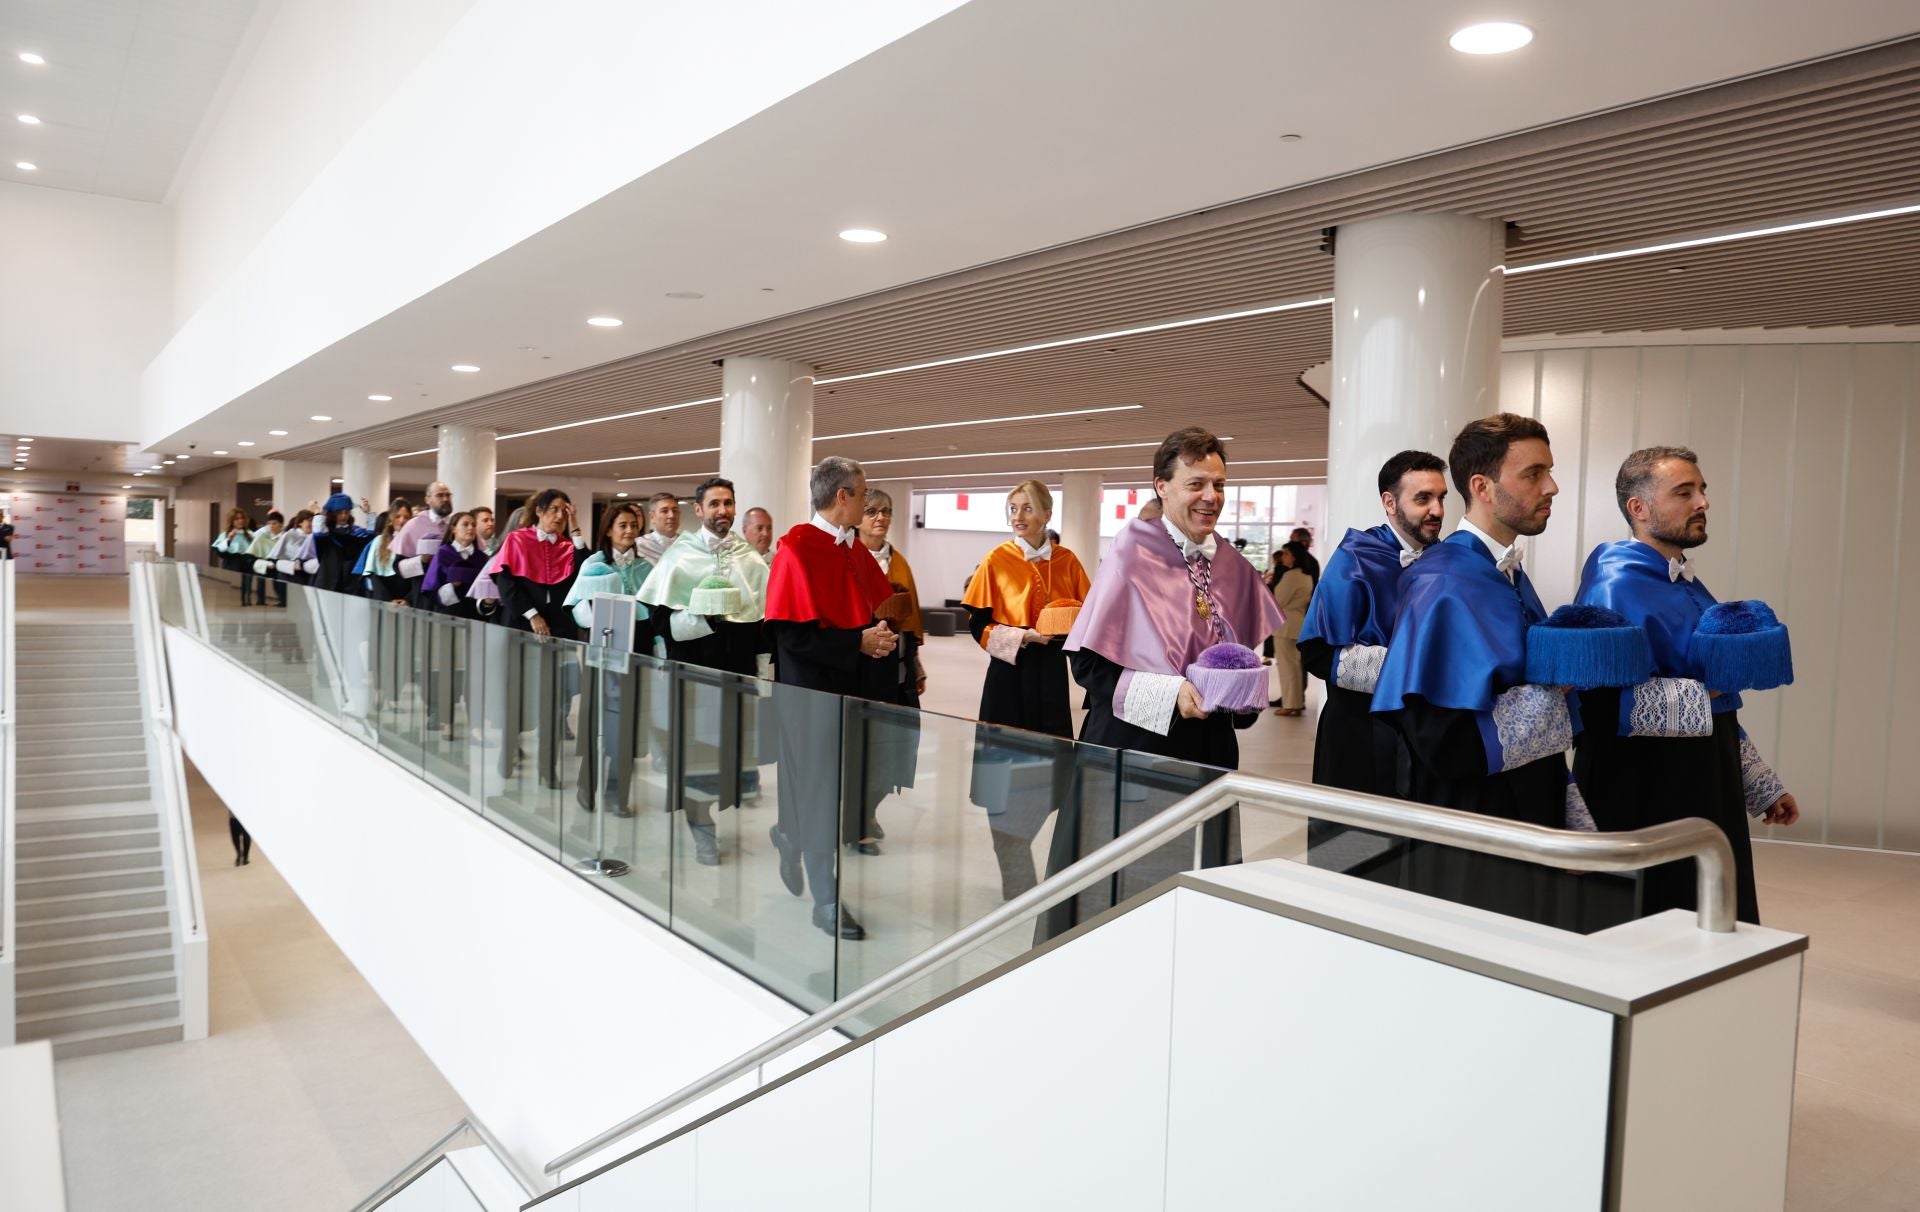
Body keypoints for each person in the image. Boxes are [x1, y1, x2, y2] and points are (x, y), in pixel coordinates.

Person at [1371, 415, 1611, 927]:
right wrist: (1557, 688)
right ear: (1482, 487)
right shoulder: (1444, 580)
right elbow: (1439, 737)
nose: (1552, 487)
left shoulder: (1504, 573)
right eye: (1534, 474)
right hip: (1477, 829)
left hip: (1521, 814)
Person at [1052, 428, 1282, 935]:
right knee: (1128, 903)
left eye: (1218, 485)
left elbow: (1237, 661)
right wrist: (1172, 694)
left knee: (1195, 903)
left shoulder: (1233, 568)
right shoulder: (1131, 558)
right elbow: (1090, 668)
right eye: (1196, 483)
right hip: (1133, 756)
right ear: (1162, 486)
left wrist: (1242, 693)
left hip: (1208, 755)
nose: (1211, 497)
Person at [1572, 447, 1799, 925]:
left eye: (1702, 491)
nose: (1703, 502)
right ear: (1639, 508)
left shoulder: (1685, 582)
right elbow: (1597, 707)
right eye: (1684, 492)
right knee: (1657, 919)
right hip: (1646, 788)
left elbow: (1718, 703)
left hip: (1705, 778)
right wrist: (1706, 693)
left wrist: (1759, 787)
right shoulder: (1615, 583)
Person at [763, 456, 897, 939]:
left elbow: (860, 613)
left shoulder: (851, 547)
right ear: (842, 496)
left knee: (834, 791)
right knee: (819, 793)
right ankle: (825, 899)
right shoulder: (797, 548)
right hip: (808, 696)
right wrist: (856, 642)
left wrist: (878, 637)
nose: (867, 502)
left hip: (849, 690)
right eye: (862, 494)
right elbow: (791, 638)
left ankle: (787, 834)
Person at [1294, 450, 1445, 876]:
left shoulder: (1448, 562)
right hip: (1360, 734)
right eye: (1423, 499)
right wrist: (1411, 671)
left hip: (1425, 736)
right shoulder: (1355, 559)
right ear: (1390, 502)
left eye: (1440, 497)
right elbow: (1318, 651)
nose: (1436, 510)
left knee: (1413, 863)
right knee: (1350, 858)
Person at [959, 479, 1092, 898]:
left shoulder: (1069, 561)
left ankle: (1023, 846)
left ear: (1047, 515)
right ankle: (1014, 872)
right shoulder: (997, 559)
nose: (1018, 516)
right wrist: (1022, 638)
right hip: (1008, 680)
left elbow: (1087, 619)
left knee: (1049, 778)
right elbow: (977, 624)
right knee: (1004, 781)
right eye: (1013, 508)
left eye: (1027, 508)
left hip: (1051, 681)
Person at [633, 479, 773, 863]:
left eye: (728, 503)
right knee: (695, 756)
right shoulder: (680, 555)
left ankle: (718, 814)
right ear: (699, 510)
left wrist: (764, 675)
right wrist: (704, 618)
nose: (722, 511)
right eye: (714, 504)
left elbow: (764, 622)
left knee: (729, 752)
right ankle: (702, 828)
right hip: (694, 671)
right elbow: (659, 619)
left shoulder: (750, 557)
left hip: (738, 672)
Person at [851, 487, 926, 856]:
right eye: (872, 511)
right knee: (864, 749)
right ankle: (857, 817)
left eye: (886, 511)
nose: (880, 518)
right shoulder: (846, 559)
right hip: (861, 670)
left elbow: (910, 623)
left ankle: (866, 810)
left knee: (897, 749)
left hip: (897, 670)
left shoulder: (900, 562)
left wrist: (915, 665)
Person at [493, 489, 588, 639]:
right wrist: (532, 615)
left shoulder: (567, 546)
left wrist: (575, 527)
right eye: (554, 509)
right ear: (539, 510)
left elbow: (585, 570)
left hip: (560, 625)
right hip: (523, 621)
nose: (559, 516)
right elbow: (506, 585)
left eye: (564, 511)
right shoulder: (516, 540)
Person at [1269, 541, 1314, 715]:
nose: (1283, 557)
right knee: (1294, 667)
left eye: (1286, 554)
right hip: (1298, 622)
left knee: (1287, 668)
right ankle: (1296, 702)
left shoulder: (1291, 576)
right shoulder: (1306, 575)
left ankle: (1289, 704)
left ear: (1294, 556)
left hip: (1286, 625)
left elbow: (1278, 600)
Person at [391, 480, 455, 603]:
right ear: (428, 500)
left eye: (448, 495)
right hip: (424, 597)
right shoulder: (414, 525)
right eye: (440, 495)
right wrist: (422, 560)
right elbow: (398, 567)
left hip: (454, 595)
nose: (446, 499)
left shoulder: (458, 523)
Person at [301, 494, 376, 594]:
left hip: (351, 582)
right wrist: (319, 512)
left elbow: (370, 538)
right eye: (339, 513)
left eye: (347, 512)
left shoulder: (356, 532)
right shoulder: (327, 534)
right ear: (333, 514)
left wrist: (369, 514)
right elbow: (319, 532)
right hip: (328, 582)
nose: (344, 516)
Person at [212, 508, 255, 601]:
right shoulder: (225, 534)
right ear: (232, 521)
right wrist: (229, 539)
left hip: (247, 564)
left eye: (242, 518)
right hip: (231, 564)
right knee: (232, 592)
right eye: (237, 519)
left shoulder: (250, 534)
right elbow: (220, 552)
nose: (240, 521)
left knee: (246, 588)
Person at [244, 511, 284, 607]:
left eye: (274, 523)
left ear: (281, 524)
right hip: (267, 564)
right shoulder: (262, 536)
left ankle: (283, 599)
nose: (271, 526)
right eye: (269, 524)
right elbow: (251, 553)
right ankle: (260, 600)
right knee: (260, 575)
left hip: (282, 565)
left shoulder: (285, 537)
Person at [634, 492, 682, 566]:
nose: (671, 515)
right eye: (664, 511)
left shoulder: (689, 543)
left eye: (675, 511)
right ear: (652, 517)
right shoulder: (639, 545)